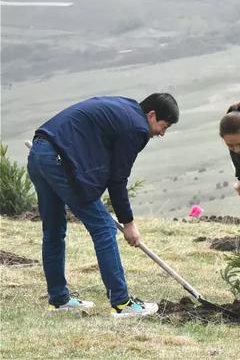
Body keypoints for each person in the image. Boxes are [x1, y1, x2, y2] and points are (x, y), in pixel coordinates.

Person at [27, 94, 179, 318]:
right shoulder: (137, 128)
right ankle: (121, 303)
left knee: (54, 230)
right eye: (163, 126)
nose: (161, 133)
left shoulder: (126, 108)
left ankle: (59, 299)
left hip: (40, 153)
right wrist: (128, 223)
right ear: (152, 115)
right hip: (58, 161)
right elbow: (118, 179)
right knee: (105, 228)